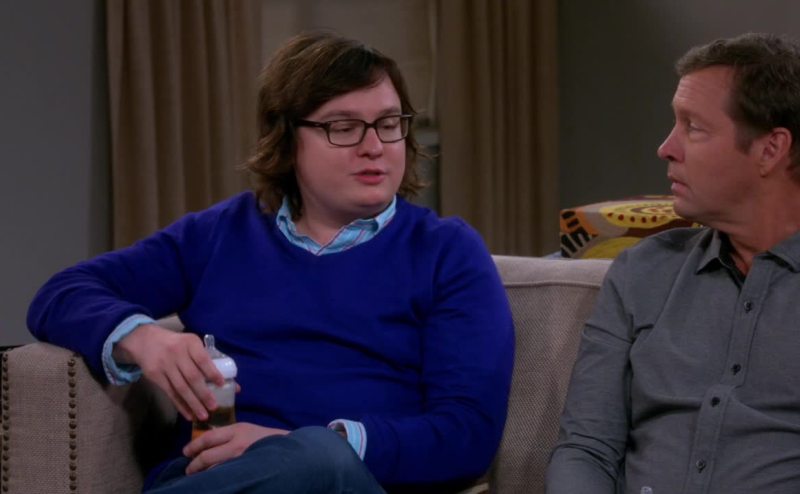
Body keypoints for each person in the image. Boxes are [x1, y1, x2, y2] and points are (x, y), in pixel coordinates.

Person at [27, 31, 514, 494]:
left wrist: (302, 445)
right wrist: (142, 338)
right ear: (286, 138)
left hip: (354, 479)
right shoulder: (220, 234)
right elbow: (62, 293)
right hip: (216, 476)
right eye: (343, 128)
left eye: (389, 124)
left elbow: (466, 436)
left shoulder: (446, 252)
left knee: (321, 459)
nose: (374, 147)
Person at [546, 32, 800, 493]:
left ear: (770, 149)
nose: (666, 147)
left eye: (693, 127)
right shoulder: (643, 273)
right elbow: (586, 448)